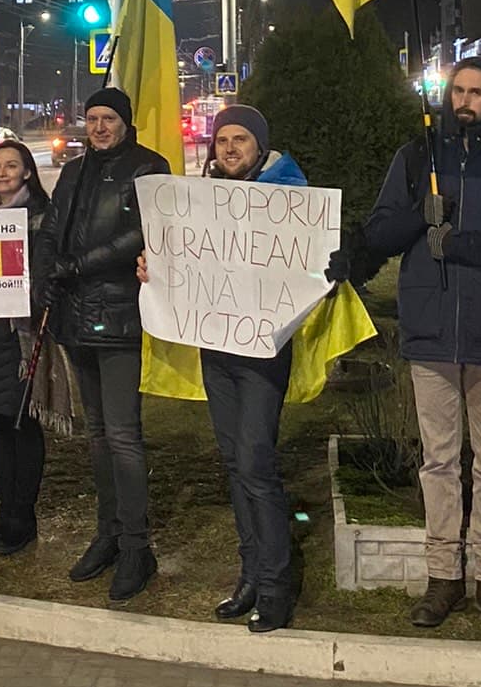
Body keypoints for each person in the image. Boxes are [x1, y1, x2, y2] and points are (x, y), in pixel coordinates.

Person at [351, 58, 481, 635]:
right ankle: (442, 576)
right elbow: (380, 232)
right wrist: (420, 216)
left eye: (477, 92)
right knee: (438, 462)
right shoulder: (416, 159)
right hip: (431, 329)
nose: (466, 100)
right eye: (458, 90)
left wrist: (461, 243)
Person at [142, 105, 308, 633]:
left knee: (256, 463)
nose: (230, 148)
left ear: (260, 146)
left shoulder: (289, 195)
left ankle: (278, 585)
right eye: (222, 141)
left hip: (262, 352)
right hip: (217, 349)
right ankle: (251, 574)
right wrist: (154, 265)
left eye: (240, 139)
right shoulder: (204, 199)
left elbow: (307, 262)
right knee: (235, 463)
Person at [35, 87, 170, 602]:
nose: (99, 127)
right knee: (96, 433)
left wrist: (77, 266)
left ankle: (137, 546)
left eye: (108, 118)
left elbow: (141, 234)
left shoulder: (148, 167)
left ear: (125, 122)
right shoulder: (74, 170)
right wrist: (47, 272)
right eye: (91, 118)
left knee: (122, 434)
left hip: (119, 315)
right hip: (74, 315)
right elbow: (52, 228)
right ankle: (107, 533)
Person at [0, 138, 51, 555]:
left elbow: (47, 272)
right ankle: (4, 512)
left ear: (27, 173)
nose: (2, 173)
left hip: (21, 335)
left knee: (21, 422)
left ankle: (23, 516)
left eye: (11, 165)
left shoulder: (40, 217)